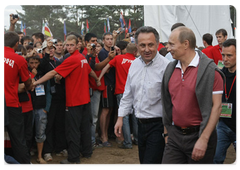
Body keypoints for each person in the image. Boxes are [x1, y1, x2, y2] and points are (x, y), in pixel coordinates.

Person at [32, 35, 101, 165]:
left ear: (77, 46)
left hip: (74, 101)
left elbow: (52, 73)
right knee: (84, 127)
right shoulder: (82, 58)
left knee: (72, 130)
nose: (69, 47)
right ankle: (87, 151)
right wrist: (96, 79)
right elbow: (90, 71)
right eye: (67, 45)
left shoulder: (72, 59)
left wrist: (36, 83)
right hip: (84, 99)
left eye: (71, 45)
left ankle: (73, 158)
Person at [161, 26, 225, 164]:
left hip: (200, 135)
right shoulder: (170, 69)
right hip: (175, 137)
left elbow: (217, 107)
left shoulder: (210, 72)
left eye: (172, 44)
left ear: (186, 44)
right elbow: (167, 105)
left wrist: (204, 139)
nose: (168, 48)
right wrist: (167, 133)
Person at [114, 26, 170, 164]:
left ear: (157, 44)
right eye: (142, 45)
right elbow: (128, 94)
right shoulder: (134, 65)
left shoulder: (167, 67)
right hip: (140, 126)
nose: (146, 49)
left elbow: (171, 101)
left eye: (150, 45)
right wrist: (120, 118)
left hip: (158, 126)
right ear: (136, 46)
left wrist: (167, 130)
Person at [2, 31, 33, 164]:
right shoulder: (19, 59)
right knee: (18, 139)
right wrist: (28, 85)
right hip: (11, 104)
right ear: (17, 44)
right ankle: (24, 165)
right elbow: (27, 82)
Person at [100, 43, 138, 149]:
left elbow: (105, 68)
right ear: (135, 52)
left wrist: (99, 78)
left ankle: (127, 142)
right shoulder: (137, 61)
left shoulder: (118, 58)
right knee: (135, 115)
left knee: (124, 116)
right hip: (134, 92)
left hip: (121, 91)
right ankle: (137, 139)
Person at [213, 39, 237, 165]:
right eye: (223, 55)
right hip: (223, 124)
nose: (225, 59)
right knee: (215, 158)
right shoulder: (220, 74)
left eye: (229, 55)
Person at [98, 32, 116, 147]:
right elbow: (105, 68)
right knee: (105, 110)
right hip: (105, 84)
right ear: (103, 41)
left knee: (109, 110)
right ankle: (103, 136)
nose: (110, 41)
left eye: (111, 39)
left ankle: (106, 135)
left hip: (113, 83)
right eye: (107, 39)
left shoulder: (113, 52)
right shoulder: (102, 53)